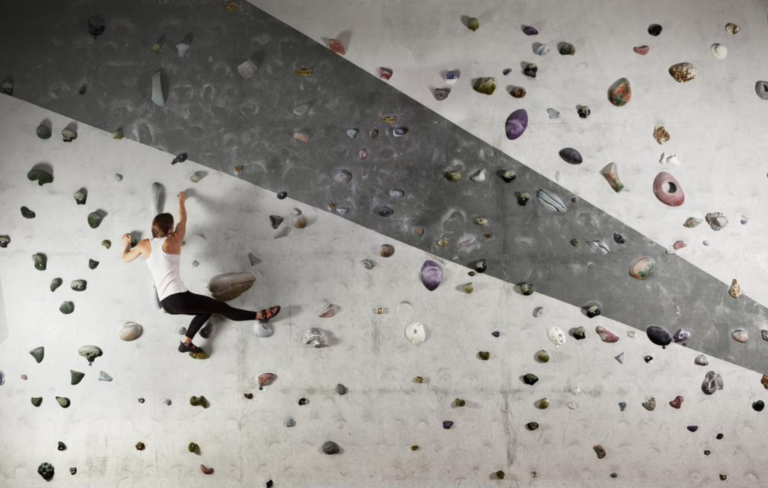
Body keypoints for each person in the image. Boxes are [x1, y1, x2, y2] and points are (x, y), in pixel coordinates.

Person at [121, 191, 280, 356]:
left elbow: (125, 258)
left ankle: (186, 342)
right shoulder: (173, 240)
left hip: (167, 303)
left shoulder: (144, 245)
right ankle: (261, 315)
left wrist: (126, 243)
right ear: (170, 229)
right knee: (223, 308)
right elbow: (183, 219)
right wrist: (181, 201)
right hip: (179, 297)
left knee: (206, 310)